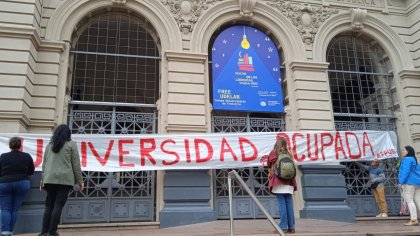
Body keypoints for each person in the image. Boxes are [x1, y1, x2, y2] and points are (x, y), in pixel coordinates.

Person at [39, 124, 84, 236]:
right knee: (58, 205)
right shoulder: (71, 145)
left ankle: (44, 232)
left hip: (49, 179)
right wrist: (80, 181)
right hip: (65, 180)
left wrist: (42, 181)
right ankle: (52, 231)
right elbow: (76, 164)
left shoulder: (49, 146)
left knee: (49, 205)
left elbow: (44, 165)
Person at [0, 137, 35, 236]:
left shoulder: (3, 156)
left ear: (10, 145)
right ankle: (10, 231)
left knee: (5, 209)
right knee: (15, 209)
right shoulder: (26, 156)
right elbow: (31, 171)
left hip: (4, 183)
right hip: (22, 183)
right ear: (20, 145)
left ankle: (5, 232)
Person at [267, 137, 297, 234]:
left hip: (278, 181)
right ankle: (291, 227)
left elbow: (269, 163)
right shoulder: (289, 152)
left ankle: (283, 226)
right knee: (289, 203)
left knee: (281, 203)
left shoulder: (274, 152)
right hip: (289, 181)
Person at [398, 145, 420, 226]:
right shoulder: (414, 159)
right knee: (418, 200)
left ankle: (414, 220)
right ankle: (414, 219)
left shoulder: (407, 159)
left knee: (409, 200)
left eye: (404, 150)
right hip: (417, 183)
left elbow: (405, 172)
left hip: (409, 183)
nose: (402, 151)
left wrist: (401, 182)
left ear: (408, 151)